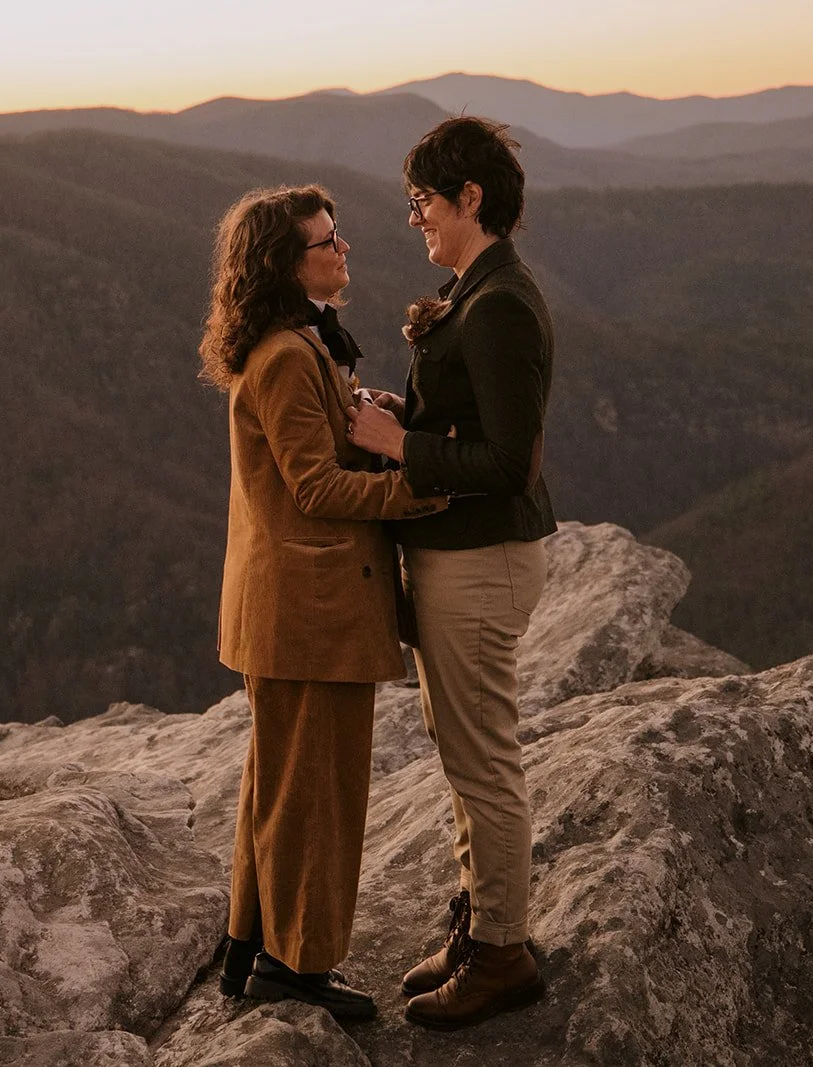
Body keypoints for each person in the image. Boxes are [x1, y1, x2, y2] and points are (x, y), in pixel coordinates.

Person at [202, 184, 446, 1021]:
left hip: (290, 609)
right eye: (326, 243)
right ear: (285, 262)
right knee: (318, 792)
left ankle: (248, 949)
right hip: (311, 612)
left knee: (280, 784)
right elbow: (314, 487)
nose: (345, 250)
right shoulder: (284, 356)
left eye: (338, 237)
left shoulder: (296, 345)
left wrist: (361, 416)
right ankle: (295, 967)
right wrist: (421, 490)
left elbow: (305, 454)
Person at [347, 116, 556, 1031]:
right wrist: (413, 418)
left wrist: (403, 445)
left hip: (481, 561)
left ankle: (504, 953)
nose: (415, 218)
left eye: (424, 201)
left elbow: (511, 461)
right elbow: (469, 422)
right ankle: (481, 926)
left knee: (483, 763)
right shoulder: (475, 288)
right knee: (465, 757)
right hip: (457, 562)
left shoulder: (501, 300)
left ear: (471, 198)